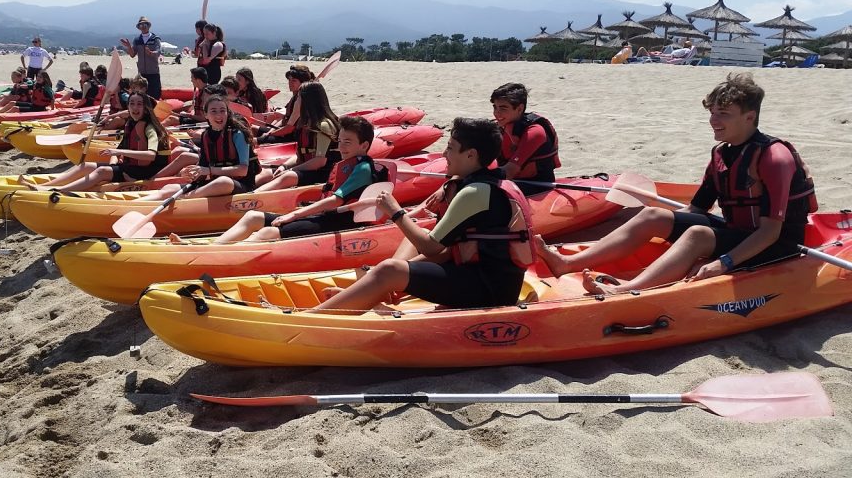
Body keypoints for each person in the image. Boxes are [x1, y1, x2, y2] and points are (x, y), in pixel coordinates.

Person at [536, 73, 817, 295]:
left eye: (723, 114)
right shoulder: (722, 153)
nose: (713, 121)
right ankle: (567, 263)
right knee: (653, 215)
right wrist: (664, 228)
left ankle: (625, 290)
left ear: (750, 117)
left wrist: (723, 262)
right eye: (712, 112)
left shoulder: (774, 157)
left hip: (777, 244)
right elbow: (696, 209)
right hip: (739, 232)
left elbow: (770, 232)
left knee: (698, 235)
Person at [310, 117, 535, 313]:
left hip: (490, 290)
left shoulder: (475, 192)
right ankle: (378, 289)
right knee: (398, 259)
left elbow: (431, 248)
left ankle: (312, 318)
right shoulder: (483, 184)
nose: (444, 154)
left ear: (470, 155)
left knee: (390, 269)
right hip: (479, 277)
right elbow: (446, 251)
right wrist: (390, 276)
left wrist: (396, 212)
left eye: (450, 148)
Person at [214, 116, 388, 244]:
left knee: (269, 232)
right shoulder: (347, 163)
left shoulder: (363, 168)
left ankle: (220, 258)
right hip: (324, 216)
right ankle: (215, 248)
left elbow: (335, 201)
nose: (341, 147)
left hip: (337, 223)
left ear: (364, 145)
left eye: (347, 142)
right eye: (340, 141)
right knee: (253, 216)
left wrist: (294, 214)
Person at [23, 90, 171, 192]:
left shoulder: (150, 127)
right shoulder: (131, 123)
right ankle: (46, 185)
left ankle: (59, 190)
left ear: (145, 108)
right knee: (86, 165)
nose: (135, 107)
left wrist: (117, 154)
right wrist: (114, 163)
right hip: (132, 166)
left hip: (147, 171)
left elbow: (151, 155)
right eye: (132, 103)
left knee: (101, 171)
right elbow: (120, 148)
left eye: (139, 104)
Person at [147, 95, 260, 201]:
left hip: (239, 185)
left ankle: (184, 199)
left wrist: (210, 170)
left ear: (227, 113)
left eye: (222, 111)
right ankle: (139, 205)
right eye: (213, 111)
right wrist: (192, 174)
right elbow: (203, 168)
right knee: (169, 188)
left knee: (224, 182)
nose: (219, 115)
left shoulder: (238, 134)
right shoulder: (206, 136)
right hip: (214, 182)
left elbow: (243, 171)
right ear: (206, 115)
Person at [255, 81, 340, 190]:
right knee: (265, 174)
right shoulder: (304, 124)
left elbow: (319, 161)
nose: (296, 101)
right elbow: (300, 154)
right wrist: (284, 166)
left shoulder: (323, 125)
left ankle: (250, 197)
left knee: (288, 177)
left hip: (323, 172)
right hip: (304, 168)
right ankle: (244, 190)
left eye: (298, 98)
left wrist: (291, 170)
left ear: (307, 101)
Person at [490, 83, 560, 195]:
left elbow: (510, 171)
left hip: (536, 186)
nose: (496, 113)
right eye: (495, 107)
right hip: (512, 182)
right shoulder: (498, 127)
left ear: (519, 109)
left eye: (503, 108)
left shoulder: (535, 132)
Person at [256, 64, 315, 144]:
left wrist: (269, 134)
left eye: (294, 80)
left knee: (254, 141)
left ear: (303, 82)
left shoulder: (301, 100)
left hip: (292, 138)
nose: (290, 83)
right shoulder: (295, 97)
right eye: (289, 80)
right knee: (253, 128)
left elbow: (289, 129)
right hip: (285, 132)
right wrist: (270, 131)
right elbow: (285, 118)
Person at [120, 16, 162, 101]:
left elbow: (158, 52)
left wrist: (151, 53)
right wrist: (129, 47)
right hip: (142, 73)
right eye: (141, 25)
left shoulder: (155, 39)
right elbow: (132, 54)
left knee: (155, 95)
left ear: (148, 26)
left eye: (145, 24)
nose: (143, 26)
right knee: (142, 96)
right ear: (139, 27)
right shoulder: (137, 40)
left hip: (153, 72)